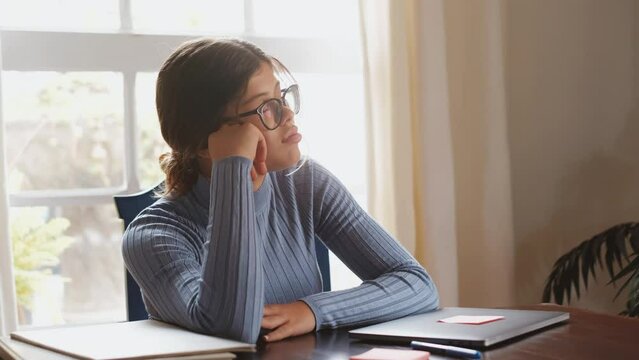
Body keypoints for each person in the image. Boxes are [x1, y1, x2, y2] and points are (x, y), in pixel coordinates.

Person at [122, 38, 439, 344]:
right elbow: (234, 331)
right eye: (266, 108)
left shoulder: (304, 183)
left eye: (282, 97)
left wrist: (312, 311)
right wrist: (233, 174)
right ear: (206, 142)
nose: (288, 114)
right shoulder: (152, 236)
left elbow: (418, 284)